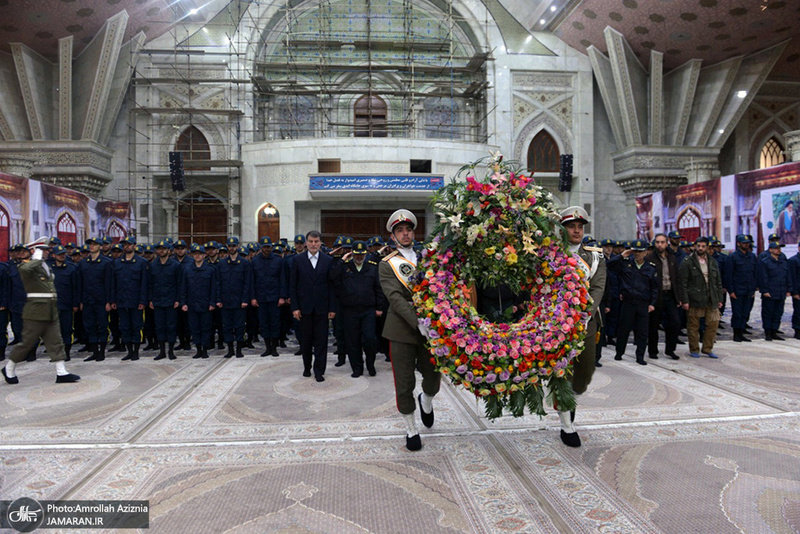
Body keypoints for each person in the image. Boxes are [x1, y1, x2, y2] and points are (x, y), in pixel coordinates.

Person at [379, 209, 439, 451]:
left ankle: (427, 400)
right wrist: (418, 322)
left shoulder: (428, 258)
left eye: (409, 230)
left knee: (434, 378)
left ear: (414, 232)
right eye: (400, 231)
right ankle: (411, 429)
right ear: (393, 236)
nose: (405, 234)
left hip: (432, 331)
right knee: (404, 384)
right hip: (401, 331)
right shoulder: (387, 264)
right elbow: (395, 298)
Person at [556, 206, 606, 447]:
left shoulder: (595, 255)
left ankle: (572, 398)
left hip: (586, 322)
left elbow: (598, 286)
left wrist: (586, 310)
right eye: (571, 227)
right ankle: (566, 424)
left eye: (579, 227)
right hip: (556, 323)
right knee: (561, 372)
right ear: (563, 229)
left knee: (584, 375)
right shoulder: (553, 253)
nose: (576, 231)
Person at [2, 237, 80, 385]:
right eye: (43, 250)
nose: (47, 253)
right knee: (27, 343)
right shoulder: (25, 267)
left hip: (50, 308)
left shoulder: (44, 265)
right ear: (34, 251)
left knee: (55, 340)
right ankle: (9, 368)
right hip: (36, 310)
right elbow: (27, 269)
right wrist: (37, 256)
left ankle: (61, 372)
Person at [331, 240, 386, 378]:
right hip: (350, 311)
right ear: (352, 254)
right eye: (356, 254)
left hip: (368, 310)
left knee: (369, 339)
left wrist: (379, 307)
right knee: (352, 341)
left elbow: (378, 289)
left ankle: (370, 364)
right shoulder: (345, 267)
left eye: (362, 254)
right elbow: (332, 278)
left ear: (366, 254)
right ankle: (357, 368)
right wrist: (342, 261)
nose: (359, 257)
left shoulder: (372, 267)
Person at [290, 230, 336, 382]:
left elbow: (331, 286)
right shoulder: (297, 260)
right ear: (306, 243)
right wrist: (295, 307)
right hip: (304, 308)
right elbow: (293, 285)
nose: (313, 244)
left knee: (321, 341)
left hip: (322, 308)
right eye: (310, 241)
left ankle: (319, 371)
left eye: (316, 242)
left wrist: (332, 308)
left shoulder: (328, 260)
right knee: (306, 340)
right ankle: (307, 367)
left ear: (320, 243)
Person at [608, 240, 657, 365]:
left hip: (643, 303)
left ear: (646, 252)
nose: (637, 254)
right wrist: (622, 255)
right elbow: (610, 265)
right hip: (628, 302)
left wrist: (652, 303)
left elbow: (655, 287)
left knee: (642, 331)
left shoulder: (651, 267)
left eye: (640, 252)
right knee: (623, 329)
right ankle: (619, 352)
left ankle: (640, 356)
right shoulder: (626, 264)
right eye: (635, 251)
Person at [677, 237, 723, 358]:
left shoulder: (712, 261)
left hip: (710, 297)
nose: (700, 248)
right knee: (693, 325)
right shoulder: (688, 261)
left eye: (703, 246)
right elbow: (683, 283)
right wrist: (685, 300)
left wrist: (719, 299)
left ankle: (708, 348)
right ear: (695, 246)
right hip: (695, 298)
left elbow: (718, 282)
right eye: (698, 246)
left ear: (707, 247)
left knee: (713, 323)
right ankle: (694, 349)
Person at [111, 237, 149, 361]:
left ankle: (136, 352)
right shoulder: (117, 262)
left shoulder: (141, 262)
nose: (127, 247)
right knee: (124, 326)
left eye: (129, 244)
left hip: (135, 300)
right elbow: (113, 283)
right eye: (125, 245)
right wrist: (113, 300)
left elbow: (144, 284)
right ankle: (129, 351)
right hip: (121, 300)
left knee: (136, 326)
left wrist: (143, 301)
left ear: (134, 246)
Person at [180, 244, 220, 359]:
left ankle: (205, 349)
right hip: (192, 304)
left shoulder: (210, 270)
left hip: (206, 304)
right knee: (194, 328)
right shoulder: (187, 270)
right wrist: (183, 303)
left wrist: (213, 302)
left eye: (200, 254)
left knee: (206, 328)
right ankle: (198, 349)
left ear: (204, 255)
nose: (197, 256)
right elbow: (183, 288)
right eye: (195, 254)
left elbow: (214, 288)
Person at [645, 233, 680, 360]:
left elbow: (676, 278)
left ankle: (670, 349)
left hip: (670, 295)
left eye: (662, 242)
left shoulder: (672, 258)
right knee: (653, 325)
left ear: (666, 243)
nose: (660, 245)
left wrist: (679, 297)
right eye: (657, 242)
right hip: (656, 296)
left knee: (675, 323)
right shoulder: (650, 258)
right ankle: (653, 350)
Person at [251, 236, 287, 357]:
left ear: (271, 247)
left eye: (268, 247)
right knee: (264, 323)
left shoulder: (278, 260)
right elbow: (252, 280)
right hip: (261, 297)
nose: (267, 249)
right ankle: (267, 348)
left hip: (275, 297)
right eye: (264, 247)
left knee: (275, 323)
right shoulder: (255, 261)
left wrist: (282, 296)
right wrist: (253, 297)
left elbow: (283, 279)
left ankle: (274, 348)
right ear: (261, 247)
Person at [79, 237, 113, 362]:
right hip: (88, 300)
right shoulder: (83, 263)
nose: (92, 246)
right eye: (90, 244)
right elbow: (80, 283)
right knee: (90, 326)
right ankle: (94, 351)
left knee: (103, 326)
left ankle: (102, 352)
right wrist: (81, 301)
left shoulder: (106, 262)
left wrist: (109, 301)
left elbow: (109, 283)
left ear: (100, 247)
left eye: (94, 244)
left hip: (101, 300)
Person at [218, 237, 252, 358]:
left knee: (240, 326)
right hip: (226, 301)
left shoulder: (244, 263)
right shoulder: (221, 263)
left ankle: (239, 349)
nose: (232, 248)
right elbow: (218, 283)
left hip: (239, 301)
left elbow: (247, 283)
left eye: (234, 245)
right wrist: (218, 299)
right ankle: (230, 349)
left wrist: (244, 299)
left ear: (237, 246)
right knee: (226, 326)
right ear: (227, 247)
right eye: (230, 246)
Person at [149, 241, 182, 360]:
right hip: (158, 300)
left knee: (171, 326)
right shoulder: (153, 265)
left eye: (164, 249)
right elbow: (150, 284)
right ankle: (162, 351)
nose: (161, 251)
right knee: (159, 326)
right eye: (159, 249)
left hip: (171, 301)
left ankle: (171, 351)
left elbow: (179, 284)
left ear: (169, 251)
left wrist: (178, 299)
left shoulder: (175, 266)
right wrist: (151, 299)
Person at [723, 234, 758, 342]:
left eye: (747, 243)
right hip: (737, 290)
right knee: (737, 313)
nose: (746, 245)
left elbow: (755, 273)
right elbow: (729, 275)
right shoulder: (732, 257)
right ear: (738, 244)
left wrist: (753, 289)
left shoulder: (752, 256)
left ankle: (742, 332)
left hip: (748, 289)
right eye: (744, 243)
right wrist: (731, 291)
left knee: (745, 312)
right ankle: (736, 334)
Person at [50, 245, 80, 361]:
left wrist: (75, 304)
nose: (62, 256)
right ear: (53, 255)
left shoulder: (71, 268)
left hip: (67, 304)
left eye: (63, 254)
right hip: (52, 305)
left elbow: (75, 288)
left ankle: (66, 353)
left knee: (67, 329)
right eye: (59, 254)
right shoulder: (49, 269)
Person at [757, 242, 790, 341]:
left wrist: (788, 290)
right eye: (776, 248)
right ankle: (768, 333)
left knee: (778, 313)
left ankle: (774, 331)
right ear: (770, 250)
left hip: (780, 292)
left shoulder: (783, 262)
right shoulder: (765, 262)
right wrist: (765, 290)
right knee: (768, 313)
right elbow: (763, 277)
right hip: (770, 292)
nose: (778, 250)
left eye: (779, 248)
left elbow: (787, 277)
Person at [789, 249, 800, 339]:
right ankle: (797, 330)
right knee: (798, 312)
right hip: (798, 290)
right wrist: (794, 292)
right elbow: (792, 277)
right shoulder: (793, 260)